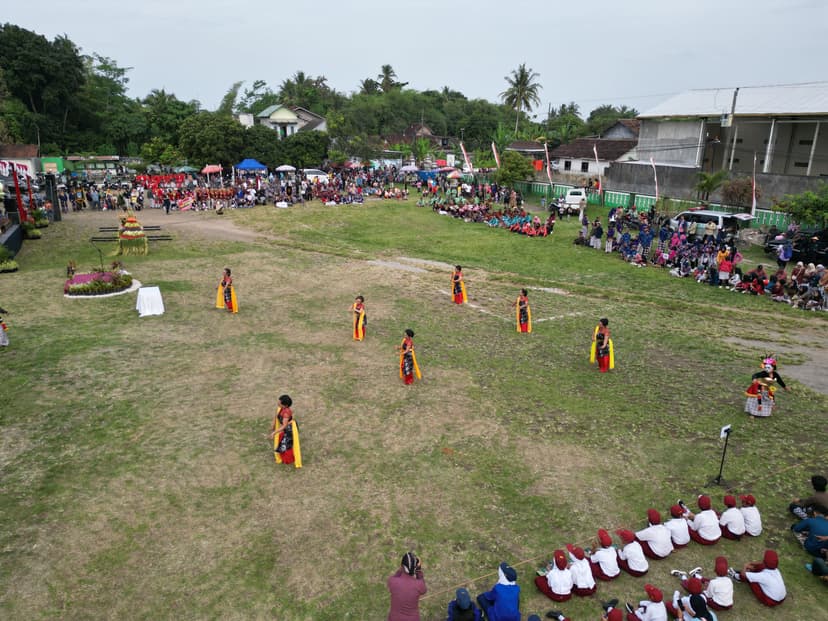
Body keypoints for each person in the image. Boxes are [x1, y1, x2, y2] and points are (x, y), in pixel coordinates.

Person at [387, 551, 427, 621]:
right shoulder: (419, 585)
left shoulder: (392, 581)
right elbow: (424, 590)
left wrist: (401, 568)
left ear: (402, 566)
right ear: (415, 568)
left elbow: (396, 575)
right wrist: (419, 570)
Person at [269, 394, 302, 468]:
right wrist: (273, 424)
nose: (278, 403)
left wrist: (274, 433)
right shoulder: (281, 408)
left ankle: (288, 459)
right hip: (285, 428)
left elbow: (284, 425)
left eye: (279, 402)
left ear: (285, 405)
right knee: (282, 442)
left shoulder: (286, 413)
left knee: (286, 444)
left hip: (289, 430)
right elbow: (277, 416)